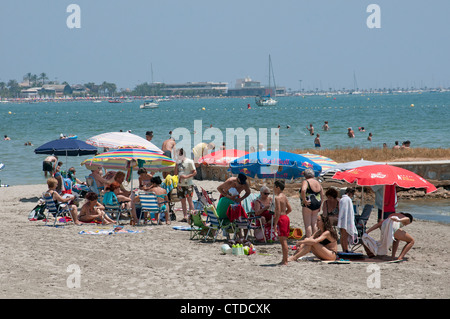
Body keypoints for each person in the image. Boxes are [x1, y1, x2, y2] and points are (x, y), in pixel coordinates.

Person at [300, 168, 324, 238]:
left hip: (309, 202)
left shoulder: (306, 181)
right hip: (317, 202)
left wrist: (304, 200)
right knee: (314, 223)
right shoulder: (318, 182)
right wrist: (320, 205)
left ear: (305, 176)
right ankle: (315, 239)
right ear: (313, 175)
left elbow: (303, 190)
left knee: (308, 224)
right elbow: (322, 194)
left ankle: (309, 240)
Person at [174, 148, 197, 222]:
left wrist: (186, 177)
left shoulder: (189, 161)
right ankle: (185, 216)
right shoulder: (178, 162)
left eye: (179, 154)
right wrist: (176, 164)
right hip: (180, 184)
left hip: (188, 184)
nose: (178, 156)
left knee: (189, 200)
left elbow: (194, 172)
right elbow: (175, 173)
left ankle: (191, 216)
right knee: (182, 201)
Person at [273, 180, 292, 265]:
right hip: (286, 218)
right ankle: (285, 260)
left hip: (281, 218)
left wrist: (275, 224)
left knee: (283, 241)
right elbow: (290, 209)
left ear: (277, 187)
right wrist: (284, 215)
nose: (273, 188)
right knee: (284, 240)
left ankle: (285, 261)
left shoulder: (277, 198)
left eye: (274, 187)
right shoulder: (284, 196)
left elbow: (278, 211)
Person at [337, 187, 358, 252]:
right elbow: (347, 212)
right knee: (345, 236)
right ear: (350, 193)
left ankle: (344, 249)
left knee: (342, 236)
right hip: (346, 220)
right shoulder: (347, 199)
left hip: (342, 219)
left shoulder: (342, 199)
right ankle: (345, 250)